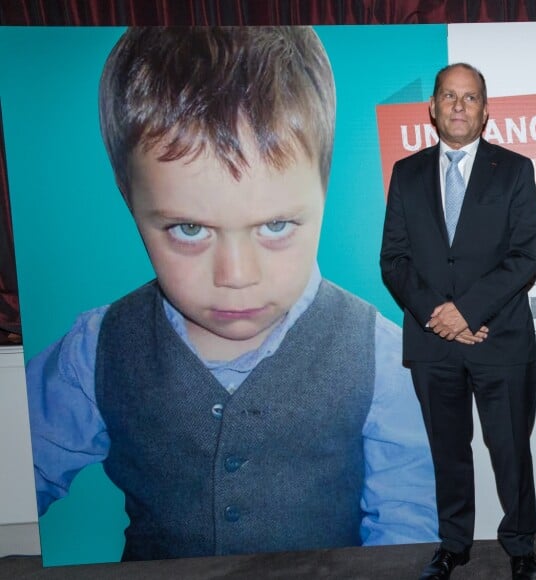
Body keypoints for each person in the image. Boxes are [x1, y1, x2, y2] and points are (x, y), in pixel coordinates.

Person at [25, 27, 438, 562]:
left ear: (323, 194)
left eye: (276, 225)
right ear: (132, 205)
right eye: (189, 230)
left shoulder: (385, 357)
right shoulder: (95, 351)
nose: (237, 275)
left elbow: (410, 526)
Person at [380, 63, 536, 580]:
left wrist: (466, 313)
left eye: (469, 98)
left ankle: (520, 548)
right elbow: (395, 260)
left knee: (511, 451)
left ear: (485, 111)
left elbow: (524, 258)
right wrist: (438, 318)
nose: (457, 105)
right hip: (434, 346)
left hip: (499, 339)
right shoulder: (406, 174)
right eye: (448, 95)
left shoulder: (514, 170)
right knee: (448, 453)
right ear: (432, 106)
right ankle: (453, 546)